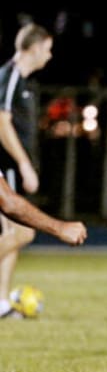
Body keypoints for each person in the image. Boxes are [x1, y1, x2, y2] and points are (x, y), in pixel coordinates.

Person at [0, 23, 55, 318]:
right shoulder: (9, 76)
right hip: (4, 168)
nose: (49, 56)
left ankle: (1, 303)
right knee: (21, 233)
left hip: (11, 169)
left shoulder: (21, 82)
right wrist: (22, 163)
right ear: (34, 48)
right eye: (47, 49)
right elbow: (0, 122)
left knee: (15, 236)